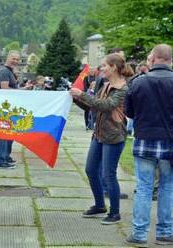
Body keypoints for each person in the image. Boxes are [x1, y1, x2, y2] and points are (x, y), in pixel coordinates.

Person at [71, 53, 133, 225]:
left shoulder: (123, 89)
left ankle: (115, 213)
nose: (101, 68)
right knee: (91, 170)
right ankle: (100, 205)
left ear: (113, 67)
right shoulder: (105, 85)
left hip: (114, 137)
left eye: (104, 65)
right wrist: (76, 98)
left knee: (108, 175)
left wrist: (82, 95)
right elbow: (94, 105)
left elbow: (106, 106)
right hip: (98, 135)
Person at [124, 44, 173, 247]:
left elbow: (130, 113)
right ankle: (165, 233)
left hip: (144, 141)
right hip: (170, 143)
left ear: (152, 59)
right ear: (169, 60)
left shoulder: (137, 82)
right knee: (167, 188)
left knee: (144, 188)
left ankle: (139, 233)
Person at [0, 50, 32, 169]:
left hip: (11, 108)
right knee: (4, 133)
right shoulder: (4, 72)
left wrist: (23, 87)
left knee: (10, 133)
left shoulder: (10, 71)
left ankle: (6, 156)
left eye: (17, 59)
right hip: (4, 108)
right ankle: (1, 160)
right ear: (8, 57)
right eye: (13, 58)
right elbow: (5, 89)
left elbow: (13, 88)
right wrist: (22, 90)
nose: (15, 61)